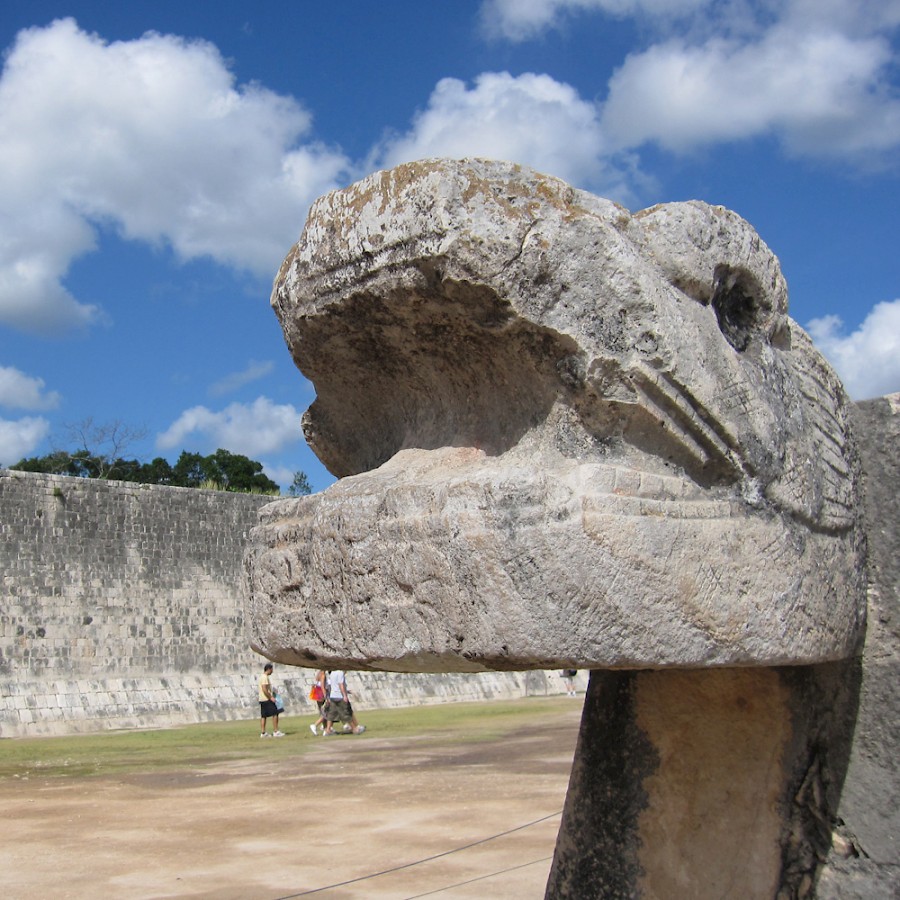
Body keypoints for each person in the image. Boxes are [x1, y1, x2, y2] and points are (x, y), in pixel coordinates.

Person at [322, 669, 365, 735]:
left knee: (331, 714)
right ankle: (354, 729)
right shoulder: (340, 673)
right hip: (340, 696)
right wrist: (344, 695)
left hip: (333, 696)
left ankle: (328, 730)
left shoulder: (332, 673)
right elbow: (341, 685)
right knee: (346, 713)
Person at [259, 662, 285, 737]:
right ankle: (276, 731)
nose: (272, 671)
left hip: (262, 699)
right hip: (267, 699)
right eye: (272, 670)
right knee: (275, 713)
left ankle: (263, 733)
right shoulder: (265, 677)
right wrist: (271, 697)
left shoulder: (261, 677)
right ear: (269, 669)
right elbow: (264, 689)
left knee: (263, 716)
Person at [309, 668, 328, 735]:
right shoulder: (323, 675)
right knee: (326, 712)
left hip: (317, 694)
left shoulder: (318, 674)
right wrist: (325, 695)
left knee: (323, 712)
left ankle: (325, 728)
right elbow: (322, 686)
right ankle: (315, 725)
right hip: (321, 694)